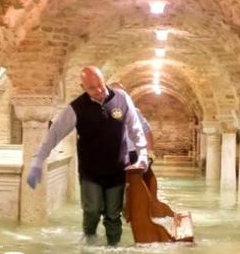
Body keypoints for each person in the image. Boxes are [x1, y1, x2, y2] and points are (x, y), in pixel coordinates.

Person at [26, 66, 149, 245]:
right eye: (92, 88)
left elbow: (135, 129)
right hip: (91, 172)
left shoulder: (121, 99)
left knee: (113, 215)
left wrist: (143, 154)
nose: (99, 90)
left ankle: (113, 251)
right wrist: (38, 160)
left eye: (100, 85)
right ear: (83, 87)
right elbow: (54, 134)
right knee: (91, 210)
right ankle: (89, 244)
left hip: (117, 169)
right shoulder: (76, 108)